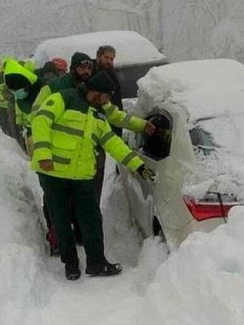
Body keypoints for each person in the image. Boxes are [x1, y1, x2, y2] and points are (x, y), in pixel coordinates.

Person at [32, 71, 157, 280]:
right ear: (97, 92)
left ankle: (96, 262)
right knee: (61, 220)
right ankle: (70, 264)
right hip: (53, 173)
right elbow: (41, 121)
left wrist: (139, 165)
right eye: (107, 96)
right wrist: (43, 152)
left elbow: (113, 143)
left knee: (91, 219)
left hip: (82, 177)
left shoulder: (98, 114)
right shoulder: (64, 98)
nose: (108, 101)